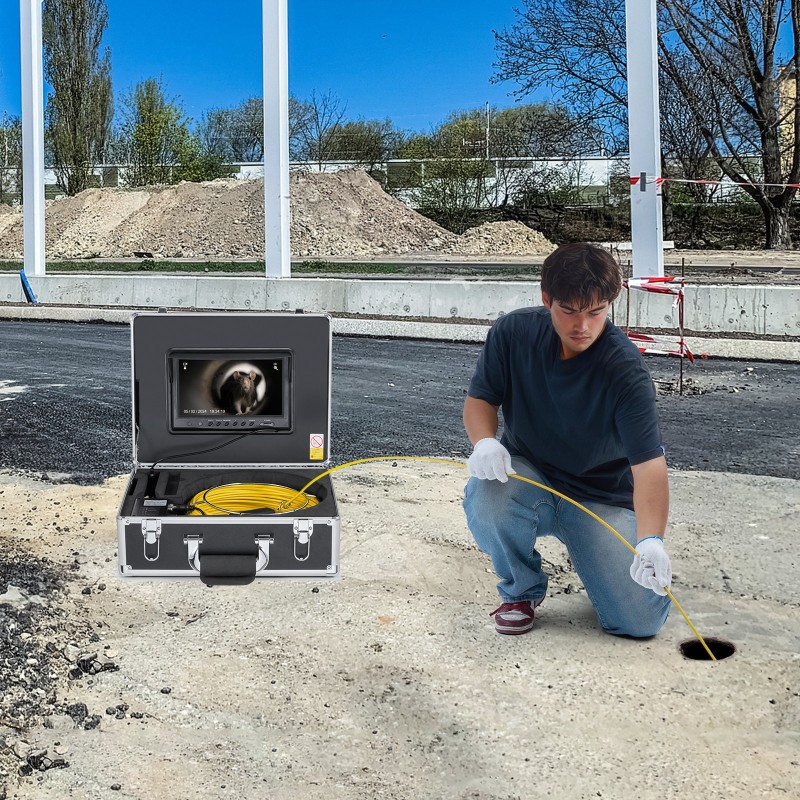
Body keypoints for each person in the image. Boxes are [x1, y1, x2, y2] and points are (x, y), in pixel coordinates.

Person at [462, 242, 672, 637]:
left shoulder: (624, 371)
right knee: (488, 494)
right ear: (547, 299)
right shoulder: (514, 334)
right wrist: (484, 442)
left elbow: (649, 467)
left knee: (638, 623)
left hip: (600, 496)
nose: (583, 326)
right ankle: (521, 590)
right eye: (570, 311)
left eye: (596, 312)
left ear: (612, 302)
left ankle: (628, 564)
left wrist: (651, 539)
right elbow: (480, 400)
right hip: (530, 476)